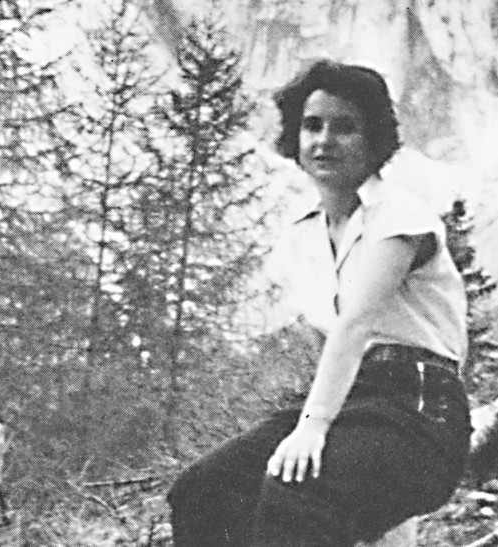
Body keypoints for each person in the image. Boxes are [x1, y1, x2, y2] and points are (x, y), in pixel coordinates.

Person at [167, 59, 473, 546]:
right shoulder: (301, 237)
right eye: (313, 125)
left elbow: (355, 325)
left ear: (374, 139)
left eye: (345, 127)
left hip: (420, 409)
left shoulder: (399, 217)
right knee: (205, 489)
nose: (325, 141)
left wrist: (313, 427)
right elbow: (328, 342)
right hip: (354, 403)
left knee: (295, 492)